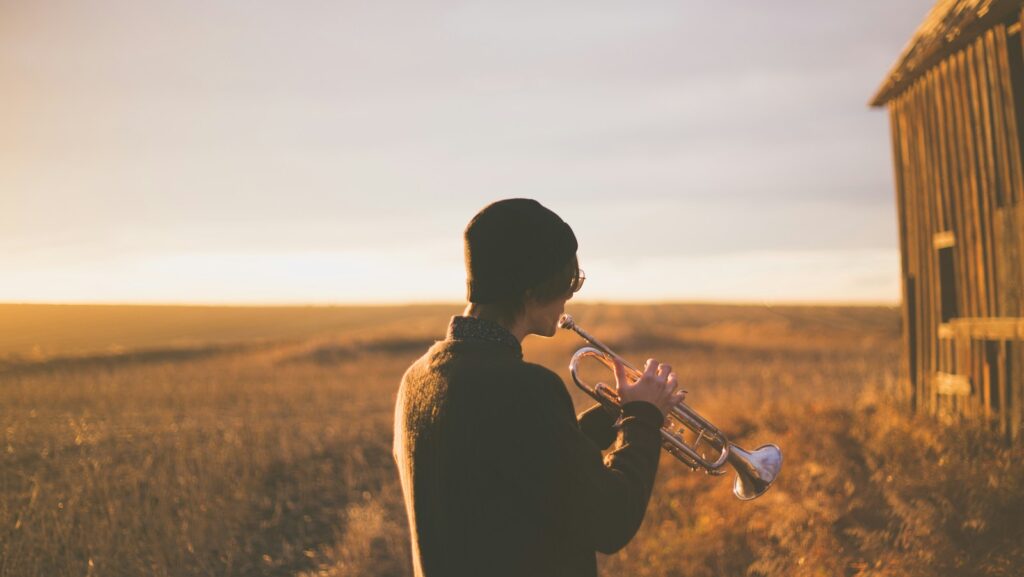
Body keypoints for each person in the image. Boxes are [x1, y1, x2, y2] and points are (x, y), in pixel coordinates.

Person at [393, 198, 686, 577]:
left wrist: (617, 414)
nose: (569, 297)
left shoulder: (417, 378)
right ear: (531, 291)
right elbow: (612, 520)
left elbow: (510, 460)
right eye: (569, 282)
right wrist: (642, 420)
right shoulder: (524, 388)